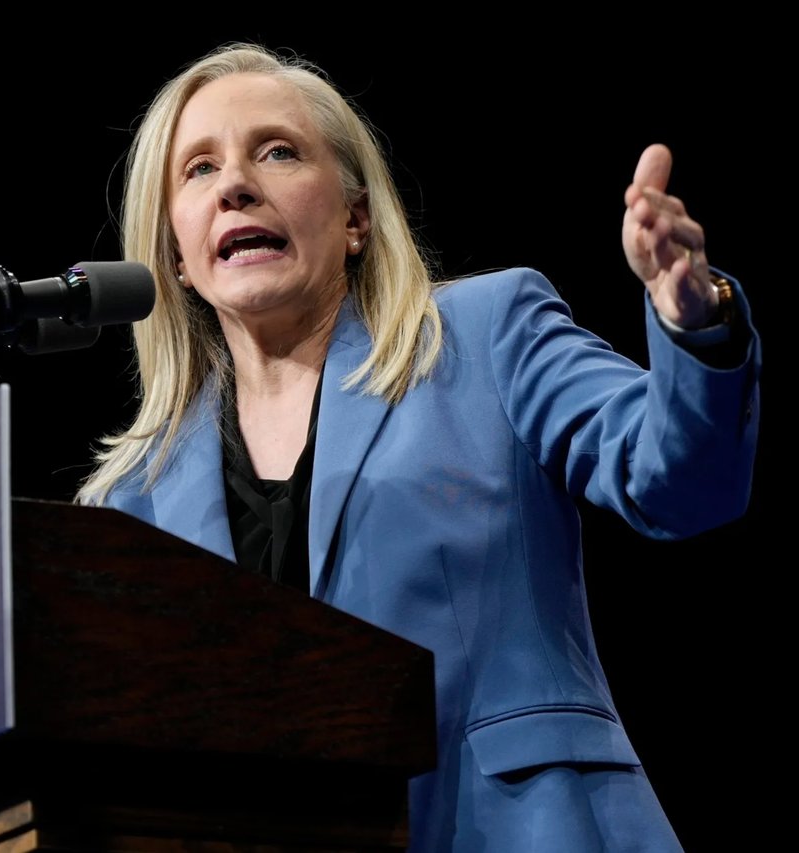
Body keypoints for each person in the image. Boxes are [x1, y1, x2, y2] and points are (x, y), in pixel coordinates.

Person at [75, 42, 761, 852]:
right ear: (177, 257)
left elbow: (682, 483)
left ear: (356, 217)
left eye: (277, 151)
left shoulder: (485, 335)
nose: (235, 185)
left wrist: (693, 323)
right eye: (198, 169)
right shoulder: (132, 500)